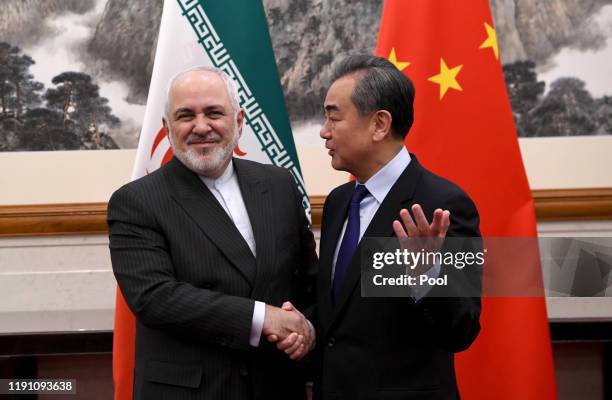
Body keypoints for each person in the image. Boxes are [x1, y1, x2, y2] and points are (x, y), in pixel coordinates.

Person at [107, 66, 317, 400]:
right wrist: (264, 319)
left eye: (214, 113)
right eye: (185, 115)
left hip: (275, 387)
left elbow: (308, 282)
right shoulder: (136, 202)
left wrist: (304, 330)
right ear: (167, 128)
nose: (201, 126)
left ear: (239, 121)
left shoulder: (278, 185)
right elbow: (155, 298)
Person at [310, 55, 481, 399]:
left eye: (333, 117)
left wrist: (427, 277)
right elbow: (341, 314)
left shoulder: (443, 204)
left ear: (379, 124)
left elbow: (461, 331)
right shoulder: (338, 202)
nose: (323, 131)